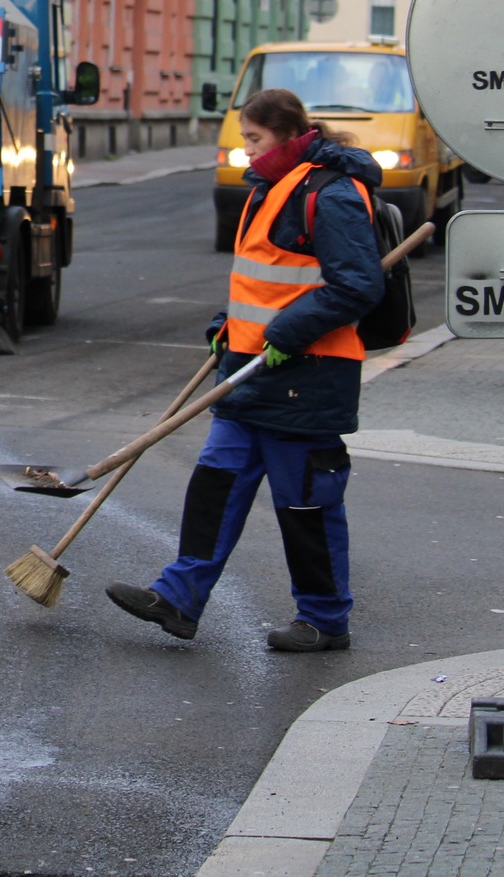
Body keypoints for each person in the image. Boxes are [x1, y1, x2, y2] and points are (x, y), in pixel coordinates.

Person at [107, 87, 385, 652]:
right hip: (249, 370)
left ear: (286, 135)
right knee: (214, 486)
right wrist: (227, 323)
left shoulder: (329, 194)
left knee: (306, 505)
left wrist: (285, 332)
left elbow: (358, 284)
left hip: (306, 379)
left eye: (254, 140)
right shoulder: (271, 188)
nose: (246, 152)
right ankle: (179, 597)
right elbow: (264, 280)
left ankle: (325, 619)